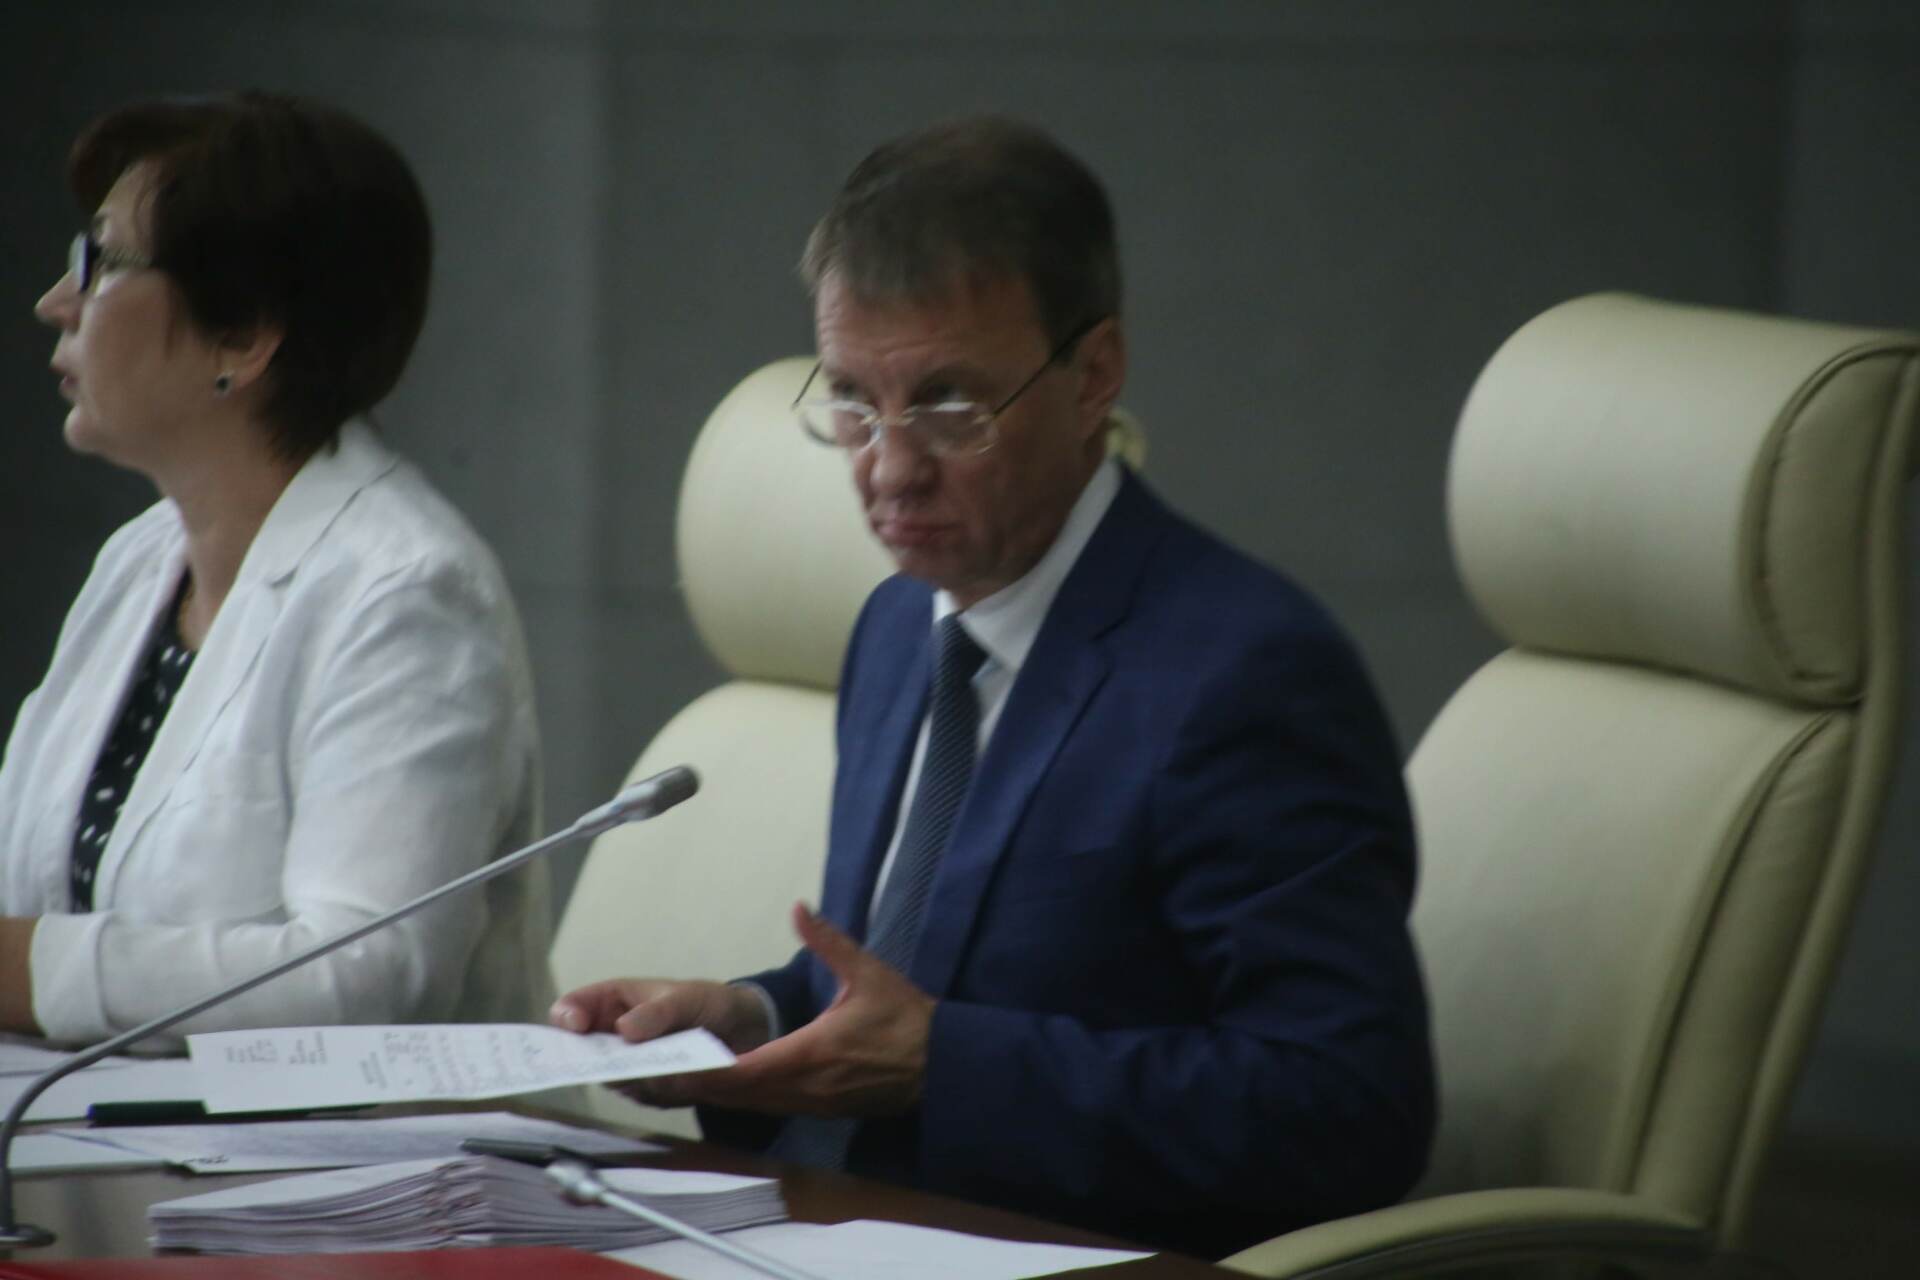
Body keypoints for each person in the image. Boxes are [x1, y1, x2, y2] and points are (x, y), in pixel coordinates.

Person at [553, 117, 1432, 1258]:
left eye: (950, 404)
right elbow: (917, 981)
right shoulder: (894, 626)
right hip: (805, 1231)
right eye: (853, 400)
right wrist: (751, 1020)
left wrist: (946, 1067)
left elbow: (1350, 1108)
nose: (888, 467)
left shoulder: (1244, 673)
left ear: (1093, 374)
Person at [0, 91, 546, 1046]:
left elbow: (368, 974)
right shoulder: (138, 561)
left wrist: (39, 972)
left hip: (348, 1145)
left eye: (102, 261)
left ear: (243, 336)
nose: (56, 302)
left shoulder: (407, 591)